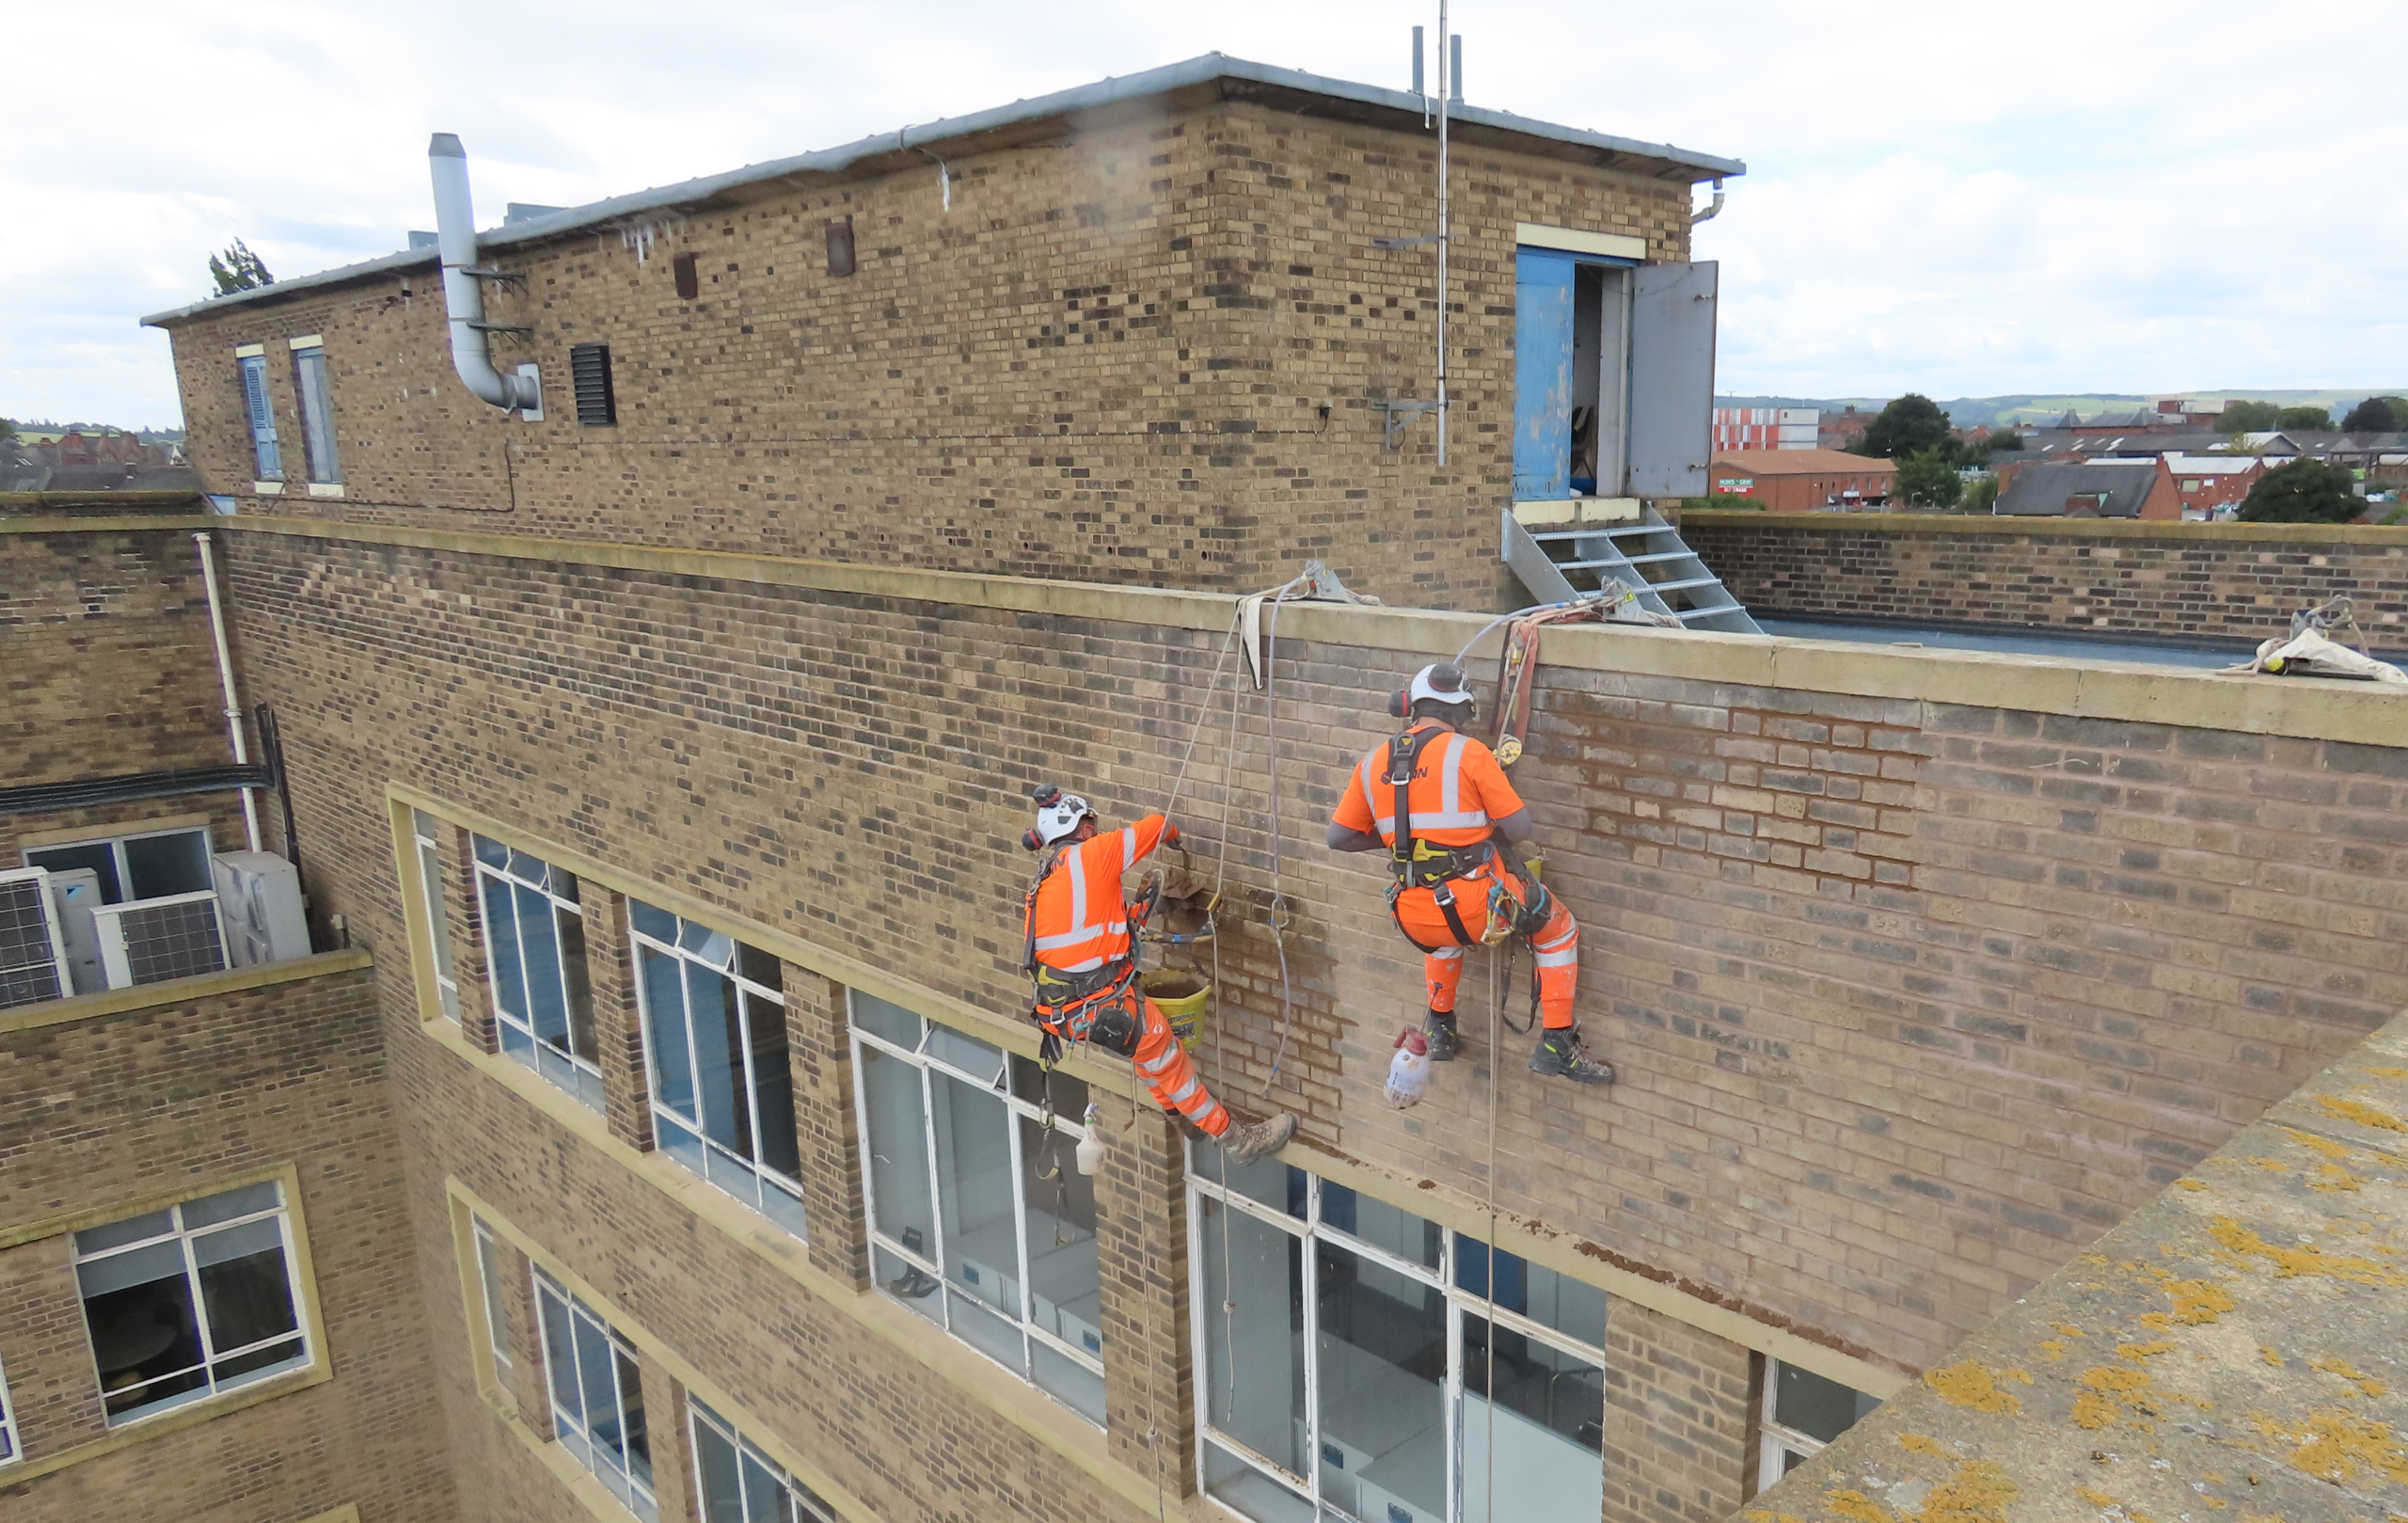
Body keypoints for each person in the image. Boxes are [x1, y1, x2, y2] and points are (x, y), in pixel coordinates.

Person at [1326, 663, 1613, 1086]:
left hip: (1413, 916)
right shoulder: (1470, 752)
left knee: (1442, 938)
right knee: (1558, 929)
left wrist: (1398, 841)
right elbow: (1520, 829)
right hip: (1476, 909)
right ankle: (1556, 1043)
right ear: (1460, 711)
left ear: (1413, 708)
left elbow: (1339, 837)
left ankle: (1440, 1026)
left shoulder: (1372, 762)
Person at [1022, 785, 1297, 1160]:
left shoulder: (1047, 879)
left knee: (1146, 1052)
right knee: (1168, 1058)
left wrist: (1136, 914)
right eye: (1093, 824)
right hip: (1095, 1003)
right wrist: (1173, 837)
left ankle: (1178, 1116)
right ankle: (1238, 1141)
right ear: (1082, 827)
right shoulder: (1093, 855)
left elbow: (1083, 938)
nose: (1097, 831)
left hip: (1062, 1013)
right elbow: (1156, 825)